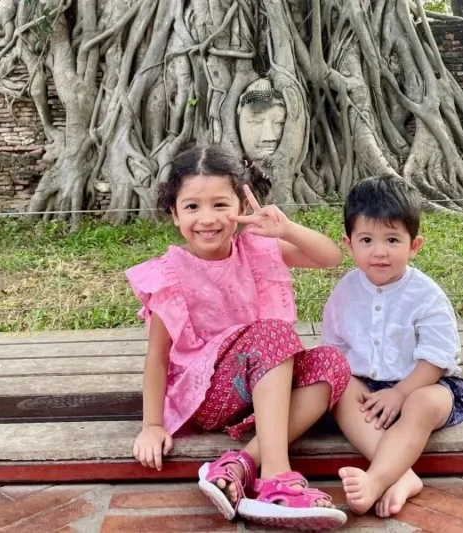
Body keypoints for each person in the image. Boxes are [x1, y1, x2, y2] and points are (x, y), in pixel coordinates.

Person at [125, 145, 350, 530]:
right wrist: (151, 425)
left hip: (263, 388)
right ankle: (278, 480)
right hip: (209, 396)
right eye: (192, 206)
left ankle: (238, 465)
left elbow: (330, 257)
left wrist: (286, 228)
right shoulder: (169, 274)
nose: (207, 219)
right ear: (173, 213)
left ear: (240, 206)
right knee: (273, 333)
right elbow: (158, 359)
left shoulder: (258, 250)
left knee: (332, 362)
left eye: (220, 205)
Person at [321, 176, 463, 518]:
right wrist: (356, 385)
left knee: (423, 402)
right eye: (366, 240)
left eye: (392, 240)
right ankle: (402, 476)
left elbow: (436, 359)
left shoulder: (426, 294)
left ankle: (375, 479)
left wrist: (401, 393)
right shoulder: (344, 292)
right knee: (339, 390)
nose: (379, 251)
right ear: (349, 244)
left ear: (413, 245)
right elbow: (335, 350)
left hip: (423, 383)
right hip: (367, 391)